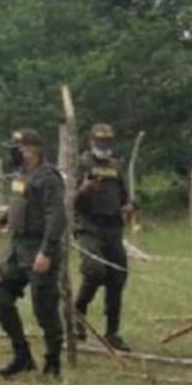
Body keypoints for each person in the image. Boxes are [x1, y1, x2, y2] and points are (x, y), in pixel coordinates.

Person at [0, 128, 66, 379]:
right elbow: (18, 203)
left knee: (45, 307)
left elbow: (56, 216)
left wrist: (46, 251)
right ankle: (22, 356)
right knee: (1, 296)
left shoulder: (48, 178)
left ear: (32, 150)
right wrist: (0, 221)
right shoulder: (22, 175)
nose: (15, 153)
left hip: (39, 246)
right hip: (17, 246)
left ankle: (53, 360)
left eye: (19, 149)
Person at [72, 123, 132, 352]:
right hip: (88, 225)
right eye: (100, 141)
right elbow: (69, 199)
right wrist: (83, 190)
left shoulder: (116, 166)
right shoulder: (81, 164)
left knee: (117, 277)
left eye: (107, 142)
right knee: (95, 270)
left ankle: (112, 333)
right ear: (91, 142)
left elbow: (124, 197)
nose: (104, 146)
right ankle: (78, 311)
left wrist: (127, 206)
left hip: (113, 227)